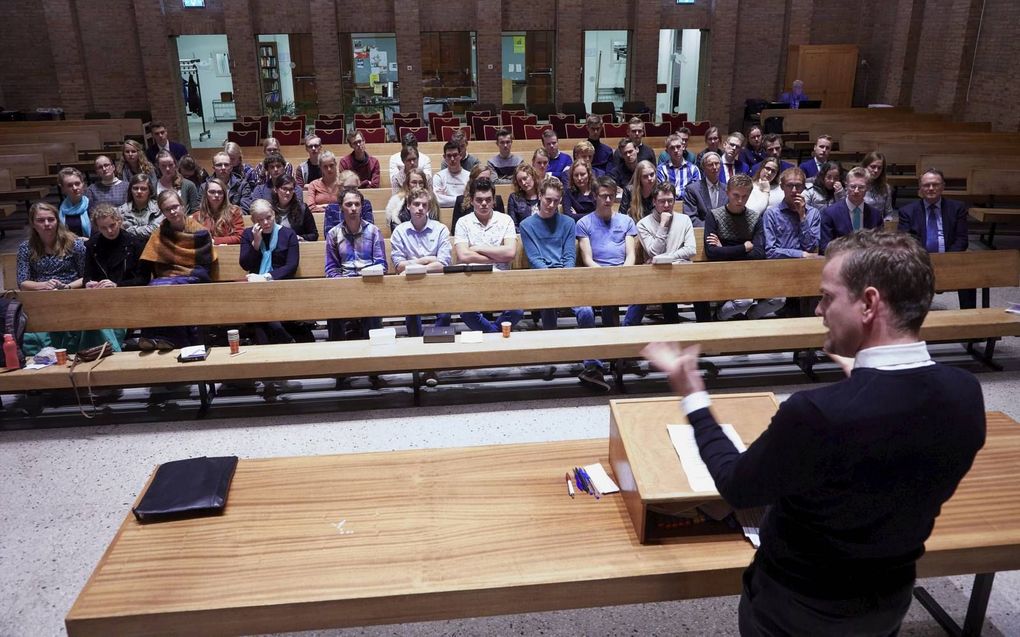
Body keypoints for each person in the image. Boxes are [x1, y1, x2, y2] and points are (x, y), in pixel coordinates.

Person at [643, 229, 984, 637]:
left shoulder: (818, 414)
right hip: (888, 601)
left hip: (799, 611)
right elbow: (889, 438)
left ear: (869, 303)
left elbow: (736, 485)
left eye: (827, 296)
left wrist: (694, 396)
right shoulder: (966, 394)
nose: (819, 310)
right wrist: (860, 376)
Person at [519, 177, 607, 392]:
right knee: (548, 307)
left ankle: (592, 364)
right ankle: (551, 357)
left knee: (586, 311)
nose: (550, 205)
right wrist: (552, 280)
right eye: (547, 199)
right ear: (539, 196)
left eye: (555, 201)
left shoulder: (568, 223)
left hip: (567, 278)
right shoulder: (526, 225)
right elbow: (535, 259)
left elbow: (569, 257)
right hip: (542, 280)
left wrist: (563, 279)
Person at [390, 186, 453, 386]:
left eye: (424, 205)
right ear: (408, 206)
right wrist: (428, 260)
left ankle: (430, 362)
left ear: (429, 208)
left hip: (437, 286)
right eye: (416, 204)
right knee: (412, 313)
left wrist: (415, 264)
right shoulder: (400, 231)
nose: (420, 208)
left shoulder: (440, 229)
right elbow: (398, 265)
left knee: (445, 314)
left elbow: (443, 264)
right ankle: (419, 359)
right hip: (410, 287)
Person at [138, 189, 218, 348]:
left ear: (183, 206)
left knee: (170, 288)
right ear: (163, 212)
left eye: (175, 206)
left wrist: (179, 275)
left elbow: (205, 263)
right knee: (153, 287)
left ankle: (171, 339)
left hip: (195, 276)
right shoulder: (159, 234)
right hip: (166, 278)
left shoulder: (200, 232)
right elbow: (150, 262)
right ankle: (152, 338)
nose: (173, 211)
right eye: (167, 209)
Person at [704, 174, 784, 321]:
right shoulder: (714, 215)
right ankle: (719, 316)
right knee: (744, 301)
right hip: (724, 273)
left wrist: (725, 249)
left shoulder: (755, 218)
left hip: (751, 271)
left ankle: (750, 317)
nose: (740, 200)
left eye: (744, 196)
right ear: (727, 192)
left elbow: (759, 253)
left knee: (779, 299)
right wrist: (744, 247)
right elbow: (711, 252)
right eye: (736, 195)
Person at [898, 168, 976, 309]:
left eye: (935, 184)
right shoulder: (907, 211)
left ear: (943, 186)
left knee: (968, 272)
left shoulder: (957, 208)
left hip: (950, 258)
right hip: (920, 262)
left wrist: (946, 260)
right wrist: (925, 260)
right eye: (926, 185)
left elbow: (962, 239)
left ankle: (969, 315)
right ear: (920, 188)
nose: (931, 188)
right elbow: (906, 240)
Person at [453, 177, 523, 333]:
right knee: (466, 313)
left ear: (494, 201)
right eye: (479, 200)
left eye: (487, 200)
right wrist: (497, 255)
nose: (483, 203)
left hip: (501, 282)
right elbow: (464, 255)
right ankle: (495, 334)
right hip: (472, 283)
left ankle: (491, 334)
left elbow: (510, 252)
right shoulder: (463, 222)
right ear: (471, 200)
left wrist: (477, 248)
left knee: (517, 310)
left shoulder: (506, 220)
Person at [627, 182, 696, 326]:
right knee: (664, 284)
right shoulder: (643, 224)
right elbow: (654, 251)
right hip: (658, 274)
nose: (666, 205)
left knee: (702, 290)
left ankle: (706, 334)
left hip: (682, 271)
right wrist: (663, 225)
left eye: (670, 201)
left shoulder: (685, 220)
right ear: (654, 201)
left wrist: (666, 258)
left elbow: (691, 249)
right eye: (662, 201)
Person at [324, 188, 387, 340]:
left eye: (357, 204)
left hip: (369, 286)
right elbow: (331, 268)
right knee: (332, 311)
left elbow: (381, 265)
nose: (353, 208)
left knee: (371, 313)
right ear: (341, 207)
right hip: (343, 288)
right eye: (349, 204)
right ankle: (338, 354)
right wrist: (346, 286)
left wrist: (363, 282)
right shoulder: (333, 234)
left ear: (361, 206)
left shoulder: (373, 232)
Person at [576, 176, 638, 328]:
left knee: (645, 295)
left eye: (611, 195)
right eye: (604, 196)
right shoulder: (584, 223)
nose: (608, 200)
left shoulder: (627, 221)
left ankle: (626, 331)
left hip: (623, 273)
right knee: (607, 294)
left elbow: (631, 254)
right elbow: (587, 259)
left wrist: (622, 273)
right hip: (596, 275)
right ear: (595, 196)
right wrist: (606, 276)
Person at [239, 199, 300, 344]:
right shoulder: (248, 234)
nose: (266, 222)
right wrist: (256, 243)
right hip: (255, 291)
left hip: (281, 287)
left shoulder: (288, 234)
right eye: (260, 220)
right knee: (260, 315)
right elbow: (245, 264)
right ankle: (285, 340)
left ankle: (272, 345)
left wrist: (266, 277)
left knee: (260, 319)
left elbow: (291, 266)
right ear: (253, 220)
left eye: (269, 217)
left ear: (274, 214)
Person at [84, 204, 150, 290]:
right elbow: (87, 275)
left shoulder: (135, 243)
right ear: (98, 228)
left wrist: (117, 285)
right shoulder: (92, 245)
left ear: (119, 221)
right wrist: (88, 283)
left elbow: (143, 279)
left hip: (128, 292)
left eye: (112, 225)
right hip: (100, 293)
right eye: (103, 228)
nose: (109, 231)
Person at [820, 167, 883, 254]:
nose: (856, 191)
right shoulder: (830, 213)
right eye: (853, 186)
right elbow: (825, 248)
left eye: (861, 187)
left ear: (868, 188)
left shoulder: (876, 215)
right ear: (846, 185)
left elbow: (880, 247)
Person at [764, 167, 820, 260]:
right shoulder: (771, 214)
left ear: (803, 187)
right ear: (782, 187)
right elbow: (770, 251)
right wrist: (801, 254)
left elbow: (811, 248)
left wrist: (802, 217)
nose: (794, 190)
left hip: (806, 265)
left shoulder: (813, 213)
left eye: (798, 185)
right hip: (779, 266)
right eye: (789, 185)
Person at [193, 177, 245, 246]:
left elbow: (240, 237)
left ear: (224, 195)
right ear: (206, 194)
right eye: (212, 192)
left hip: (228, 253)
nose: (216, 195)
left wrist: (215, 241)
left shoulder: (234, 212)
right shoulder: (197, 216)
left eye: (220, 192)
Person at [452, 164, 505, 230]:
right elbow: (455, 229)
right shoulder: (460, 200)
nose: (484, 181)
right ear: (472, 180)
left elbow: (502, 224)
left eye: (488, 179)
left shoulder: (497, 200)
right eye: (481, 179)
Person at [323, 170, 376, 235]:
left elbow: (369, 229)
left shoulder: (365, 204)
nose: (351, 191)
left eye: (354, 188)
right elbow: (329, 234)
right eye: (347, 188)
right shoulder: (331, 208)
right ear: (339, 187)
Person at [682, 152, 726, 227]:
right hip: (702, 232)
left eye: (717, 163)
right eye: (710, 164)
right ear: (703, 168)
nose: (715, 167)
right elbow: (691, 218)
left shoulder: (727, 189)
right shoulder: (692, 190)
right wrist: (711, 228)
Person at [270, 174, 317, 241]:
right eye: (284, 189)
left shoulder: (303, 209)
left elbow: (314, 235)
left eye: (291, 189)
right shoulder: (268, 209)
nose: (288, 192)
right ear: (276, 189)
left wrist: (300, 237)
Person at [657, 131, 701, 202]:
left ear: (683, 147)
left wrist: (674, 193)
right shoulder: (661, 169)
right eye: (672, 148)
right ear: (667, 150)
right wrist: (685, 193)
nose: (676, 150)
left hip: (690, 206)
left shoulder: (694, 169)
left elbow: (695, 192)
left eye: (678, 147)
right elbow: (662, 193)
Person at [118, 173, 163, 240]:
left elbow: (156, 230)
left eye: (143, 189)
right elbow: (119, 233)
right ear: (131, 190)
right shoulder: (120, 210)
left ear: (149, 191)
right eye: (135, 188)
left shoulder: (159, 208)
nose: (139, 191)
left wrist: (129, 230)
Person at [861, 150, 896, 221]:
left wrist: (887, 220)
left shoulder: (885, 188)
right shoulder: (856, 186)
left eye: (879, 168)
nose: (876, 170)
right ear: (865, 166)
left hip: (878, 226)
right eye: (873, 167)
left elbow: (889, 213)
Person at [57, 167, 92, 237]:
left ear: (83, 184)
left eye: (77, 183)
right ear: (63, 189)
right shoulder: (59, 208)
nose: (75, 188)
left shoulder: (92, 205)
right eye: (70, 185)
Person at [303, 149, 341, 214]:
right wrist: (333, 208)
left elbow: (347, 205)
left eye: (331, 165)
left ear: (335, 164)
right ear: (320, 167)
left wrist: (323, 206)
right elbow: (310, 207)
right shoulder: (313, 184)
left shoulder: (343, 183)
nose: (329, 169)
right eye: (325, 167)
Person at [434, 141, 470, 208]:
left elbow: (471, 199)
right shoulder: (438, 177)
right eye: (449, 156)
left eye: (455, 155)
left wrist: (445, 198)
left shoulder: (469, 177)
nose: (452, 159)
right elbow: (437, 200)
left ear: (460, 156)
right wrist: (461, 199)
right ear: (444, 157)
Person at [505, 163, 541, 228]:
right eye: (520, 181)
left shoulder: (545, 194)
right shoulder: (514, 198)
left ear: (533, 176)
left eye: (525, 178)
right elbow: (513, 226)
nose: (523, 183)